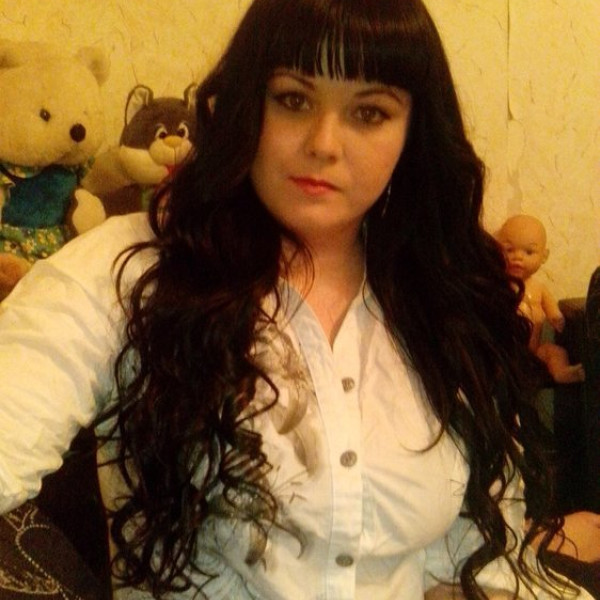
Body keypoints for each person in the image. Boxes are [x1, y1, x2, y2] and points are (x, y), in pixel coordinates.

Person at [0, 0, 598, 599]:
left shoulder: (443, 295)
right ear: (247, 103)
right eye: (293, 99)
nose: (323, 143)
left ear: (413, 130)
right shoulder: (128, 272)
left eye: (369, 112)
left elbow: (476, 558)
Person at [496, 214, 585, 384]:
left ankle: (560, 373)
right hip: (506, 350)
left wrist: (556, 317)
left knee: (556, 352)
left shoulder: (539, 288)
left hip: (534, 352)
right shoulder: (500, 284)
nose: (518, 257)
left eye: (528, 252)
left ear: (544, 256)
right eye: (509, 250)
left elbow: (552, 311)